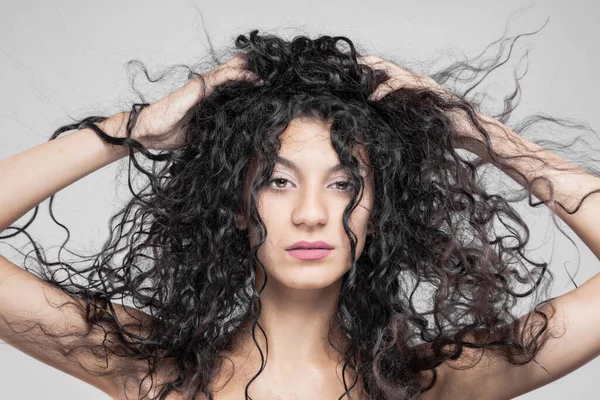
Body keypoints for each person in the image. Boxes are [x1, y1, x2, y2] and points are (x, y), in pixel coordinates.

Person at [1, 28, 599, 400]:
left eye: (344, 185)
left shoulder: (440, 383)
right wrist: (133, 130)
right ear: (234, 205)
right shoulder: (150, 370)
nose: (312, 213)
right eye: (277, 181)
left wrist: (479, 134)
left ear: (378, 214)